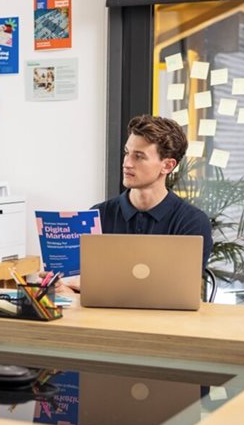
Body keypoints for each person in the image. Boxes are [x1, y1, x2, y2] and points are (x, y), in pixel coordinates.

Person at [58, 114, 214, 293]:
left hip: (163, 313)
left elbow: (179, 292)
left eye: (139, 156)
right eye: (127, 153)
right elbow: (82, 285)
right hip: (102, 312)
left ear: (167, 166)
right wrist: (66, 290)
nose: (127, 163)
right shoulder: (98, 215)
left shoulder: (192, 222)